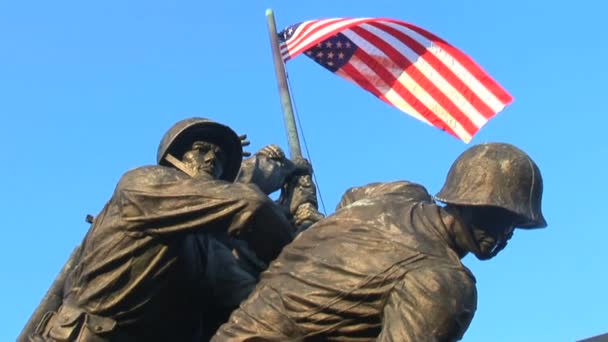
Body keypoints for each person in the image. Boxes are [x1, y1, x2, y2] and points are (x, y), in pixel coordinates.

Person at [212, 142, 547, 342]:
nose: (503, 234)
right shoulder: (444, 282)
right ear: (463, 201)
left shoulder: (399, 193)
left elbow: (350, 200)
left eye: (513, 223)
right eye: (494, 217)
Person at [31, 118, 300, 341]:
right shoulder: (144, 184)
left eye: (219, 156)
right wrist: (301, 257)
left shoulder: (206, 244)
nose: (210, 159)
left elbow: (248, 298)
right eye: (201, 149)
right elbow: (250, 202)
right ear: (173, 156)